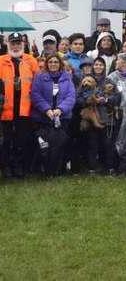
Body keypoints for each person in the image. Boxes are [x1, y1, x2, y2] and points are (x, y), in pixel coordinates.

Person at [0, 32, 40, 178]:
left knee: (22, 139)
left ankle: (19, 166)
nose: (15, 46)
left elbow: (38, 83)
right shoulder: (1, 60)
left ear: (23, 44)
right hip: (5, 108)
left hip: (25, 108)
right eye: (13, 43)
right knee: (6, 140)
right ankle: (6, 167)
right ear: (8, 45)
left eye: (18, 43)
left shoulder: (31, 60)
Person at [30, 53, 76, 176]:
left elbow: (71, 96)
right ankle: (43, 169)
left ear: (60, 64)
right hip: (43, 117)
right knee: (44, 145)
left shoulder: (67, 77)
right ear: (46, 64)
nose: (53, 64)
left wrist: (60, 109)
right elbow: (35, 95)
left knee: (60, 144)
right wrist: (46, 109)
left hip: (62, 117)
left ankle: (58, 169)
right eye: (50, 62)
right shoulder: (40, 77)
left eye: (56, 62)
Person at [77, 73, 120, 175]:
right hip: (90, 121)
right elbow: (80, 101)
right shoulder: (80, 92)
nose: (86, 83)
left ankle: (108, 167)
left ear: (95, 83)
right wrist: (87, 101)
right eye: (84, 82)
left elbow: (114, 98)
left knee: (106, 144)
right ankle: (92, 168)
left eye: (89, 81)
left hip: (104, 119)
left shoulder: (101, 90)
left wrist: (103, 100)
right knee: (92, 145)